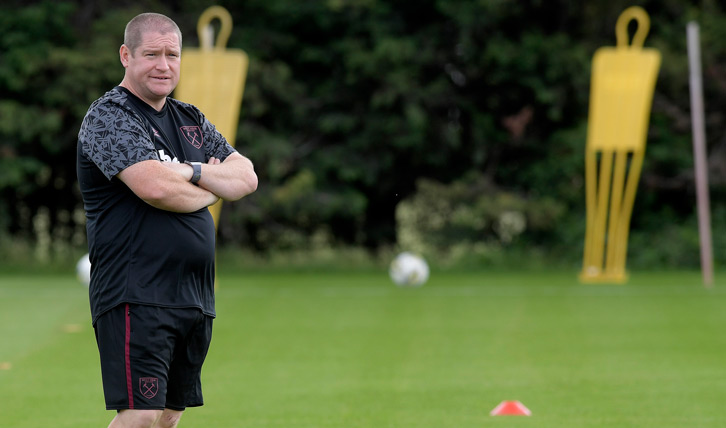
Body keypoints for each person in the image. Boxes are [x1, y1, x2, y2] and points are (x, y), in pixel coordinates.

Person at [77, 12, 257, 428]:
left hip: (193, 295)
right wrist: (210, 180)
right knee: (140, 415)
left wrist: (187, 171)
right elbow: (154, 188)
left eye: (171, 54)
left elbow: (246, 176)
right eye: (151, 54)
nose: (163, 65)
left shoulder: (189, 118)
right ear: (126, 55)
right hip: (136, 291)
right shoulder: (110, 117)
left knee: (168, 418)